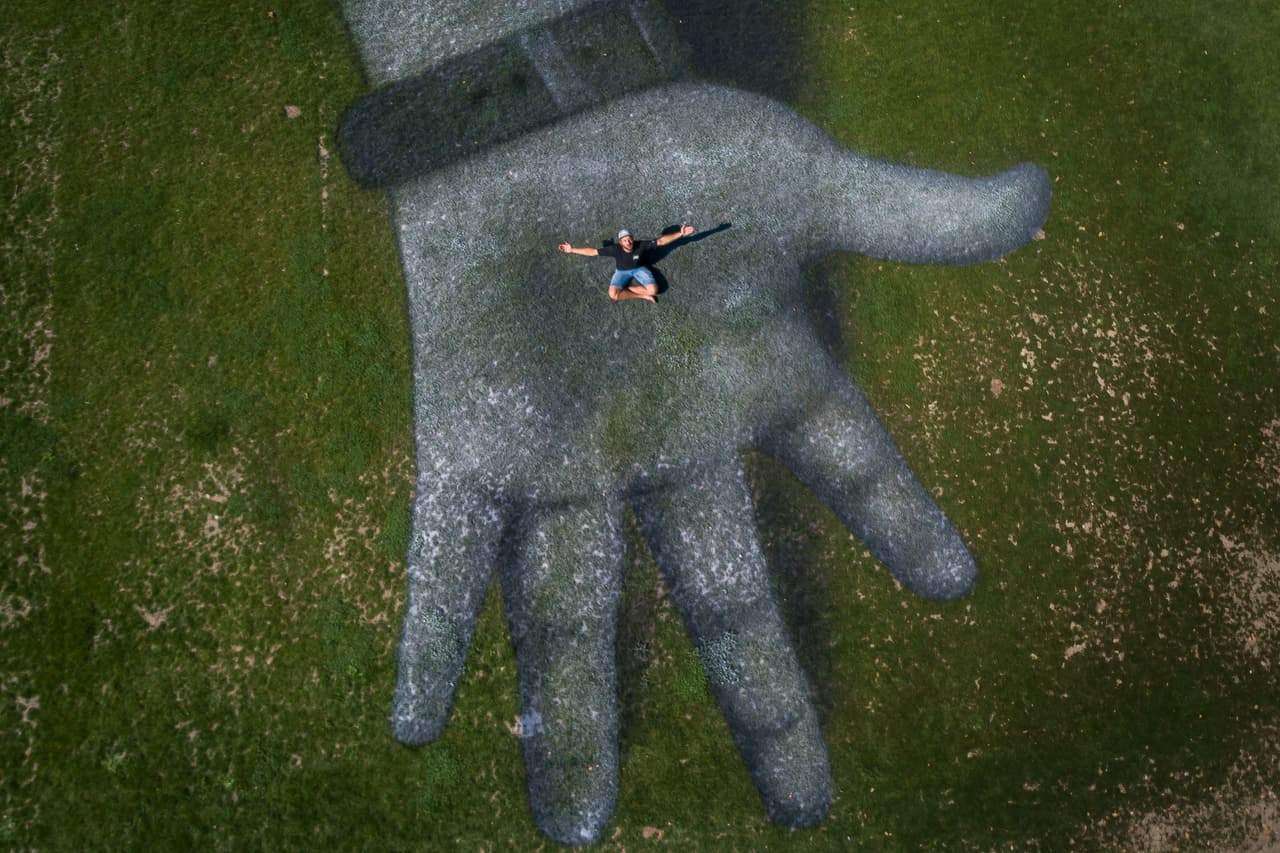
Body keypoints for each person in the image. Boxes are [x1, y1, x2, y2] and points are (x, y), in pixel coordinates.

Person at [559, 225, 695, 302]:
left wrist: (680, 234)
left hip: (639, 269)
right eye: (624, 240)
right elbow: (593, 252)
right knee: (613, 295)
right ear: (620, 242)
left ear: (632, 239)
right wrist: (572, 250)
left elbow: (661, 241)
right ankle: (642, 295)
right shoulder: (614, 249)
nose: (628, 242)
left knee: (654, 290)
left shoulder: (640, 245)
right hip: (621, 272)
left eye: (630, 239)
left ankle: (641, 292)